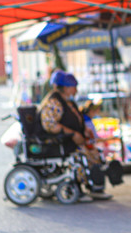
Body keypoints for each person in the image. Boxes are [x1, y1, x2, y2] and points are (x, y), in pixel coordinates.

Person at [38, 71, 113, 202]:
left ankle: (96, 187)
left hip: (72, 141)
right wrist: (72, 134)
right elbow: (50, 125)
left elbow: (76, 121)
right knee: (83, 155)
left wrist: (84, 131)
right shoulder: (54, 103)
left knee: (96, 153)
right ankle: (78, 187)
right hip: (59, 143)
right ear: (66, 88)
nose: (76, 90)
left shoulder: (68, 102)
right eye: (74, 87)